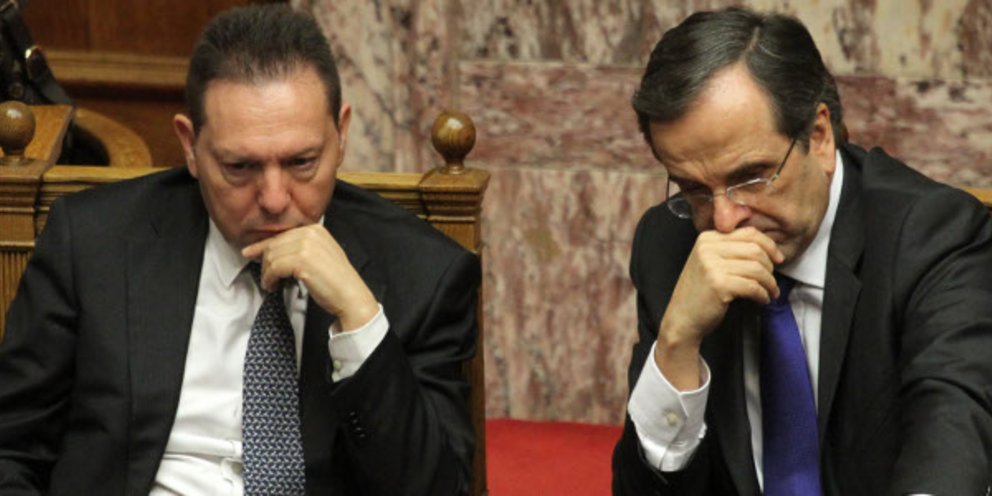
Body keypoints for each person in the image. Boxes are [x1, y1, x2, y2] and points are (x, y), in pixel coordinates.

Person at [0, 5, 478, 495]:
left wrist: (360, 320)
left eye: (302, 162)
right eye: (240, 167)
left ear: (341, 134)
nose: (274, 199)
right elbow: (11, 448)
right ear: (190, 145)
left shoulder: (423, 274)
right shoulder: (94, 243)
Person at [612, 7, 992, 495]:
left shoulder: (932, 236)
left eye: (751, 178)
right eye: (694, 189)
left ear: (819, 137)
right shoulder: (671, 243)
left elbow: (953, 445)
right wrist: (676, 345)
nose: (724, 221)